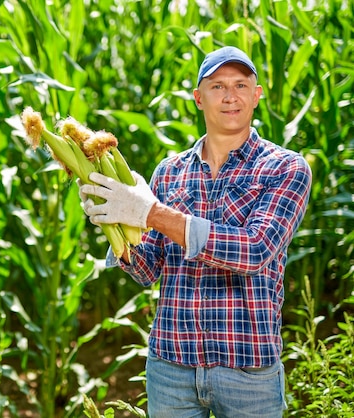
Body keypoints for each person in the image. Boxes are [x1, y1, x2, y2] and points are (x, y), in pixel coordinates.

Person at [78, 46, 312, 417]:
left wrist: (150, 212)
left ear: (257, 94)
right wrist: (114, 222)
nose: (230, 96)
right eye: (217, 86)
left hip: (248, 371)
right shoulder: (169, 172)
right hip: (171, 368)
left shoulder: (284, 168)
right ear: (198, 98)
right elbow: (147, 269)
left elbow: (253, 250)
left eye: (240, 85)